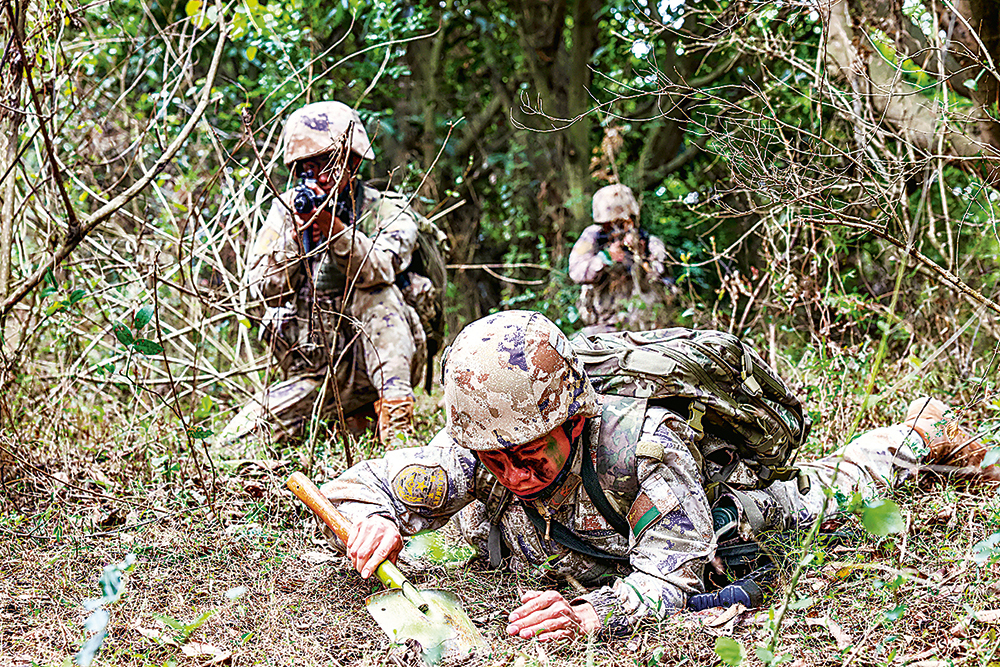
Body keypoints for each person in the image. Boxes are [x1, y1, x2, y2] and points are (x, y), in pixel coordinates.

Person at [319, 310, 993, 641]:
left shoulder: (642, 444)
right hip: (565, 540)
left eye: (531, 451)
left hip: (711, 511)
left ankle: (917, 434)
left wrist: (592, 613)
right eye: (499, 458)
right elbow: (360, 486)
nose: (515, 471)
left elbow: (670, 578)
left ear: (574, 419)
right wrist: (372, 520)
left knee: (825, 495)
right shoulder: (481, 444)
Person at [232, 101, 431, 446]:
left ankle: (398, 429)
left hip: (382, 368)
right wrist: (296, 242)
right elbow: (261, 290)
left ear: (354, 162)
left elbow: (379, 268)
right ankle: (352, 420)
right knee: (239, 440)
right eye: (308, 167)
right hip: (318, 369)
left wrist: (333, 229)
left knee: (377, 293)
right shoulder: (287, 211)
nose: (320, 177)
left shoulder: (388, 211)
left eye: (329, 163)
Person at [568, 184, 674, 334]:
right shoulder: (592, 238)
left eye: (621, 223)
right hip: (603, 325)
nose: (615, 229)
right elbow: (575, 272)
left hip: (645, 327)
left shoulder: (650, 243)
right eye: (608, 225)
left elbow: (665, 282)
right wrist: (603, 259)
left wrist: (640, 256)